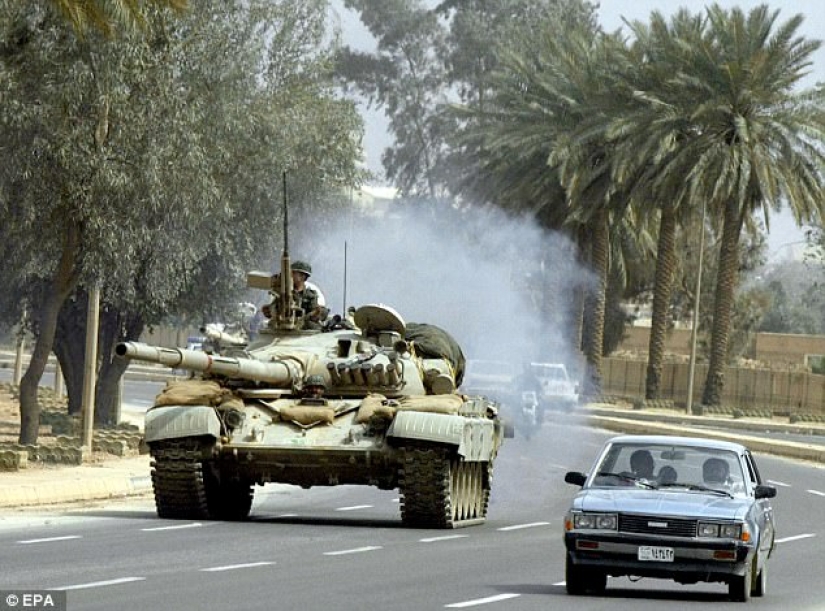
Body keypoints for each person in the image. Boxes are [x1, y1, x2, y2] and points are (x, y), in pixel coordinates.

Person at [262, 260, 329, 329]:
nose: (289, 276)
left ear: (302, 277)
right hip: (282, 330)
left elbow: (314, 314)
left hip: (302, 331)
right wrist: (269, 311)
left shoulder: (310, 295)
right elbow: (275, 308)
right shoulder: (283, 293)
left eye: (293, 273)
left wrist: (315, 314)